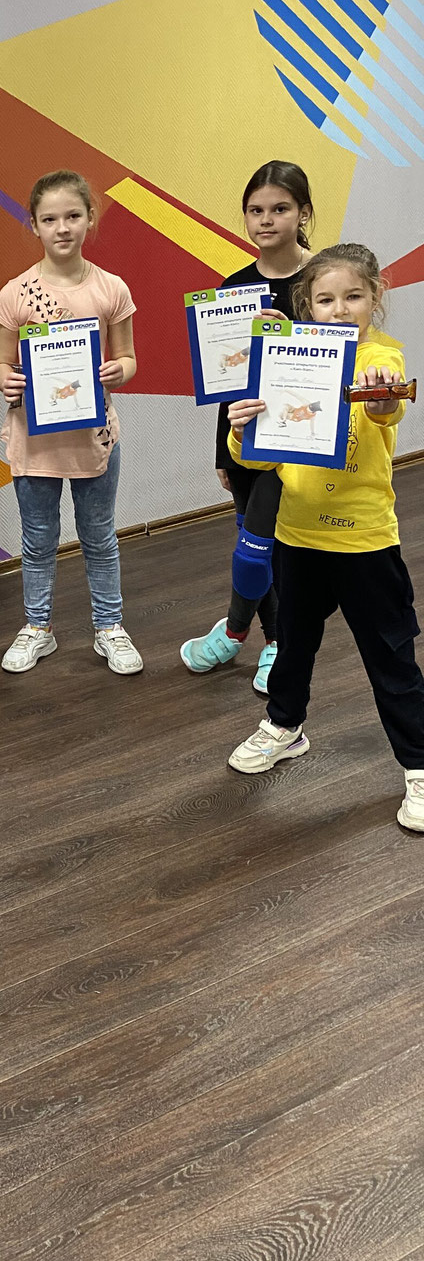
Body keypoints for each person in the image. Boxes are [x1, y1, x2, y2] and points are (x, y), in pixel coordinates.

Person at [224, 243, 424, 830]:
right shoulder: (285, 361)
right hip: (298, 536)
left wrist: (383, 394)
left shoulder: (382, 357)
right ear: (306, 305)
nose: (339, 310)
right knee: (292, 642)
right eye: (326, 299)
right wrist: (240, 430)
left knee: (389, 655)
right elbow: (256, 457)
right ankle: (285, 725)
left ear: (375, 298)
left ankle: (419, 763)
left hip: (363, 541)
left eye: (353, 297)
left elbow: (386, 407)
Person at [0, 169, 143, 676]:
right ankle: (38, 627)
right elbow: (0, 365)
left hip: (92, 436)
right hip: (34, 439)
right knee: (37, 540)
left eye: (73, 216)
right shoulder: (16, 293)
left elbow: (128, 358)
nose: (62, 228)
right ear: (33, 224)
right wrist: (8, 381)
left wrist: (119, 371)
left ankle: (109, 626)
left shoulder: (111, 288)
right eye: (50, 219)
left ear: (90, 219)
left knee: (99, 537)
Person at [180, 161, 316, 693]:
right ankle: (255, 633)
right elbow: (227, 386)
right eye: (255, 211)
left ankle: (270, 638)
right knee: (251, 543)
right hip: (248, 443)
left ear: (303, 213)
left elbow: (342, 356)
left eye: (280, 209)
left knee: (270, 548)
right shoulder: (235, 289)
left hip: (305, 443)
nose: (266, 220)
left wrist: (291, 336)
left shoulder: (324, 280)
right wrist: (224, 451)